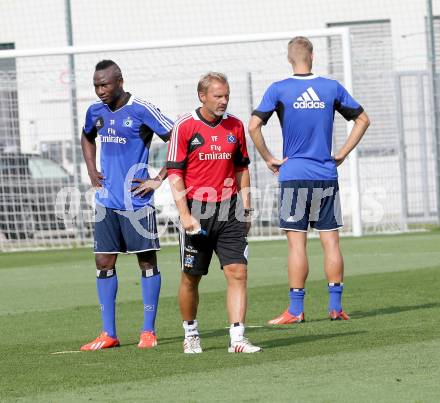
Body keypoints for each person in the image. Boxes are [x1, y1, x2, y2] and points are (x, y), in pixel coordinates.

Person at [248, 37, 370, 324]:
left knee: (297, 245)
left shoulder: (279, 89)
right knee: (331, 242)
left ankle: (295, 310)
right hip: (325, 174)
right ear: (312, 56)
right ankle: (336, 307)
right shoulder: (331, 87)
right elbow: (363, 119)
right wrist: (341, 153)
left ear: (290, 59)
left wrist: (269, 157)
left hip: (294, 176)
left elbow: (253, 125)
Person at [80, 60, 173, 350]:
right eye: (96, 85)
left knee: (146, 262)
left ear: (120, 81)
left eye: (104, 84)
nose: (100, 91)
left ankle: (148, 330)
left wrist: (159, 178)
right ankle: (109, 333)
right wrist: (91, 168)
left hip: (137, 200)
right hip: (107, 200)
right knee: (103, 261)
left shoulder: (141, 109)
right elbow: (86, 135)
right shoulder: (95, 111)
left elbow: (177, 138)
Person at [166, 72, 261, 354]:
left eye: (227, 95)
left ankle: (237, 339)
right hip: (196, 210)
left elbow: (242, 168)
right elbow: (174, 173)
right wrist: (185, 214)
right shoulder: (184, 126)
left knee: (238, 272)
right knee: (190, 277)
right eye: (218, 96)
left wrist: (246, 208)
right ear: (202, 96)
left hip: (230, 208)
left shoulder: (235, 126)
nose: (224, 101)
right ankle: (191, 332)